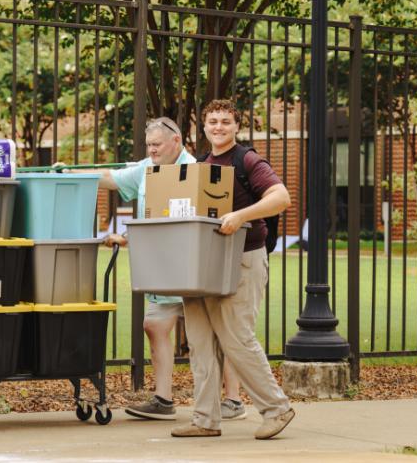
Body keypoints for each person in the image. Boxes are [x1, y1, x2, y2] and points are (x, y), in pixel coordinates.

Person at [59, 117, 246, 421]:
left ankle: (234, 400)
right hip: (162, 266)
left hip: (194, 266)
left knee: (218, 332)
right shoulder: (147, 168)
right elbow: (111, 177)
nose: (152, 150)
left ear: (175, 142)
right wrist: (70, 172)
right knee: (154, 326)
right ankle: (163, 399)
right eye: (148, 145)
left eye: (157, 144)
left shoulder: (198, 170)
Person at [171, 99, 295, 440]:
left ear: (236, 126)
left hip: (243, 257)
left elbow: (281, 197)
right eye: (213, 121)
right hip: (204, 263)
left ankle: (277, 409)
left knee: (236, 338)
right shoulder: (201, 164)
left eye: (226, 121)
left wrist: (241, 215)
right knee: (199, 342)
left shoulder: (247, 160)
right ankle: (205, 419)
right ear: (204, 125)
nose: (219, 127)